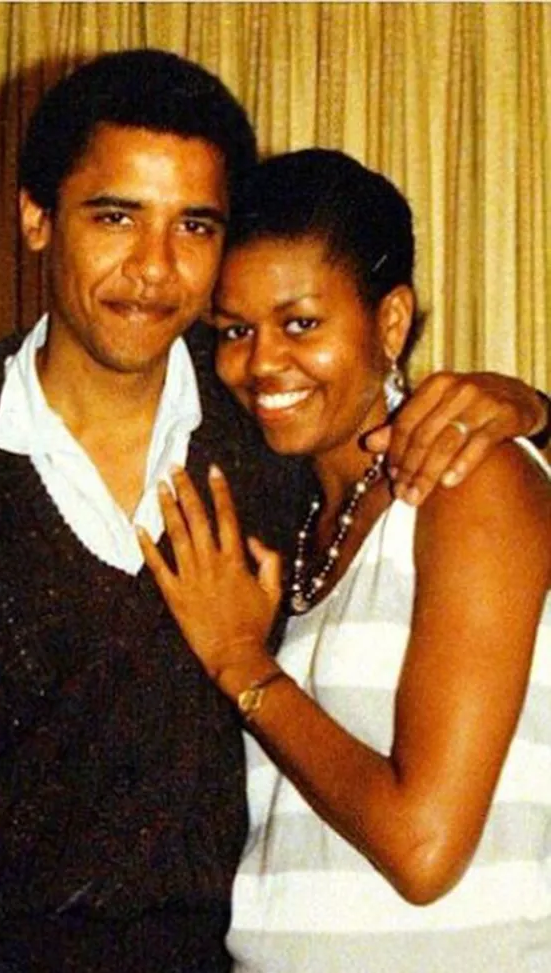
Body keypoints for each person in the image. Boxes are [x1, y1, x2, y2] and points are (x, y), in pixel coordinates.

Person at [0, 51, 549, 973]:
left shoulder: (268, 429)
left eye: (194, 226)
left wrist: (525, 405)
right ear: (36, 218)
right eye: (116, 217)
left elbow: (444, 486)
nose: (155, 269)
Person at [140, 148, 551, 972]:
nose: (260, 363)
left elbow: (423, 846)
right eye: (235, 331)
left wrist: (240, 664)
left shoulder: (472, 481)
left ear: (390, 323)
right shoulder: (302, 510)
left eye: (301, 323)